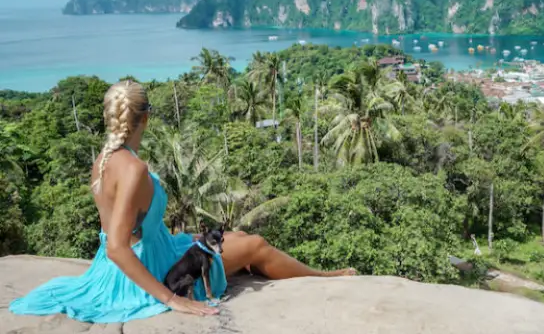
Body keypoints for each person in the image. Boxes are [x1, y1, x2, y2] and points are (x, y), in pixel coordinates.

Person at [10, 80, 355, 323]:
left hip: (129, 260)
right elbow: (118, 246)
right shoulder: (132, 168)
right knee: (255, 244)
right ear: (145, 118)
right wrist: (170, 298)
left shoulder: (102, 159)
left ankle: (301, 272)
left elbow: (124, 232)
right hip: (155, 270)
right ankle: (326, 276)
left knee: (227, 241)